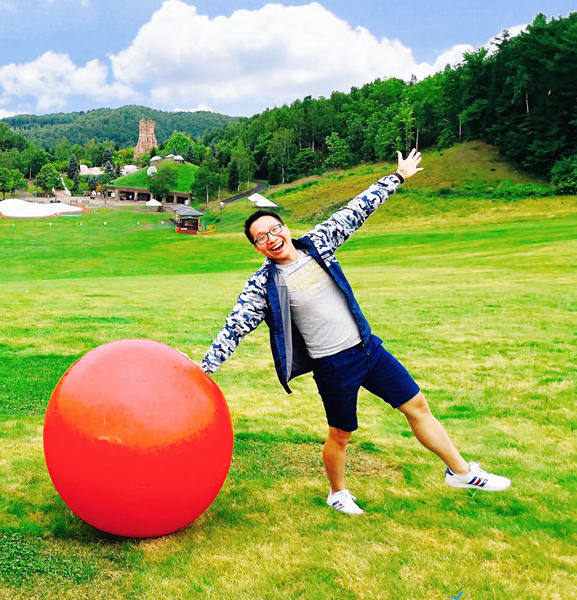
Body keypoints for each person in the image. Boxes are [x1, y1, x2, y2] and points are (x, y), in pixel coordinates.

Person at [199, 149, 510, 515]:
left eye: (274, 228)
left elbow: (355, 210)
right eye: (261, 237)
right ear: (257, 248)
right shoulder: (262, 286)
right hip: (333, 367)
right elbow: (233, 328)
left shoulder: (319, 243)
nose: (271, 238)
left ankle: (461, 472)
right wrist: (203, 370)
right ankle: (338, 493)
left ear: (285, 228)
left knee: (417, 406)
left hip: (367, 350)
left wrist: (397, 177)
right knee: (341, 435)